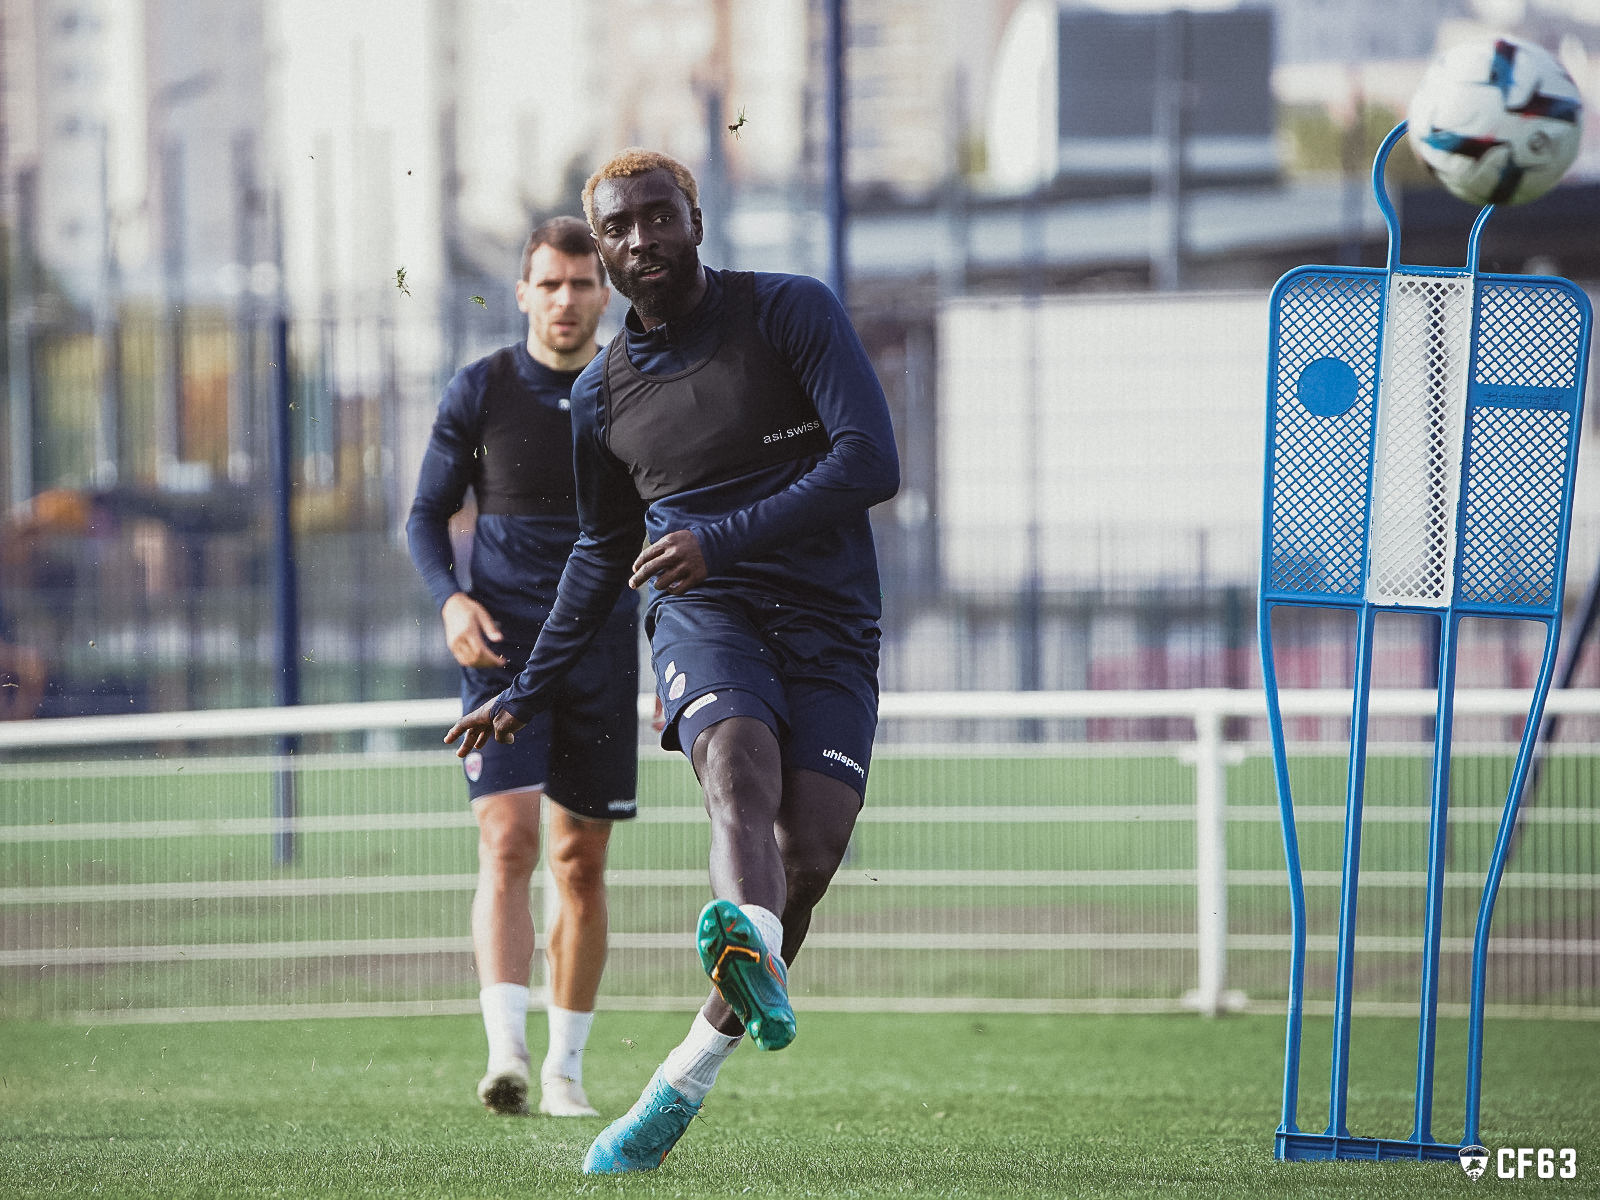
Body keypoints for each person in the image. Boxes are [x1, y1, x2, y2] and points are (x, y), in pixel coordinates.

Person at [444, 148, 899, 1173]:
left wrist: (723, 532)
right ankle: (751, 945)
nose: (640, 240)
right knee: (738, 768)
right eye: (618, 227)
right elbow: (604, 551)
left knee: (813, 852)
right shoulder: (601, 398)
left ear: (694, 219)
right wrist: (527, 686)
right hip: (705, 607)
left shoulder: (789, 311)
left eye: (658, 217)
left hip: (830, 620)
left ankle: (681, 1077)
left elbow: (871, 458)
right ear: (598, 250)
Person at [407, 216, 640, 1119]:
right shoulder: (482, 388)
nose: (566, 300)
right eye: (549, 284)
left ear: (603, 292)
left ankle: (566, 1072)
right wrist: (450, 599)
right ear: (523, 292)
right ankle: (506, 1054)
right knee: (507, 842)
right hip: (500, 654)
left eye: (582, 284)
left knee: (580, 864)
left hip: (601, 654)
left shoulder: (633, 389)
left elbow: (664, 525)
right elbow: (426, 516)